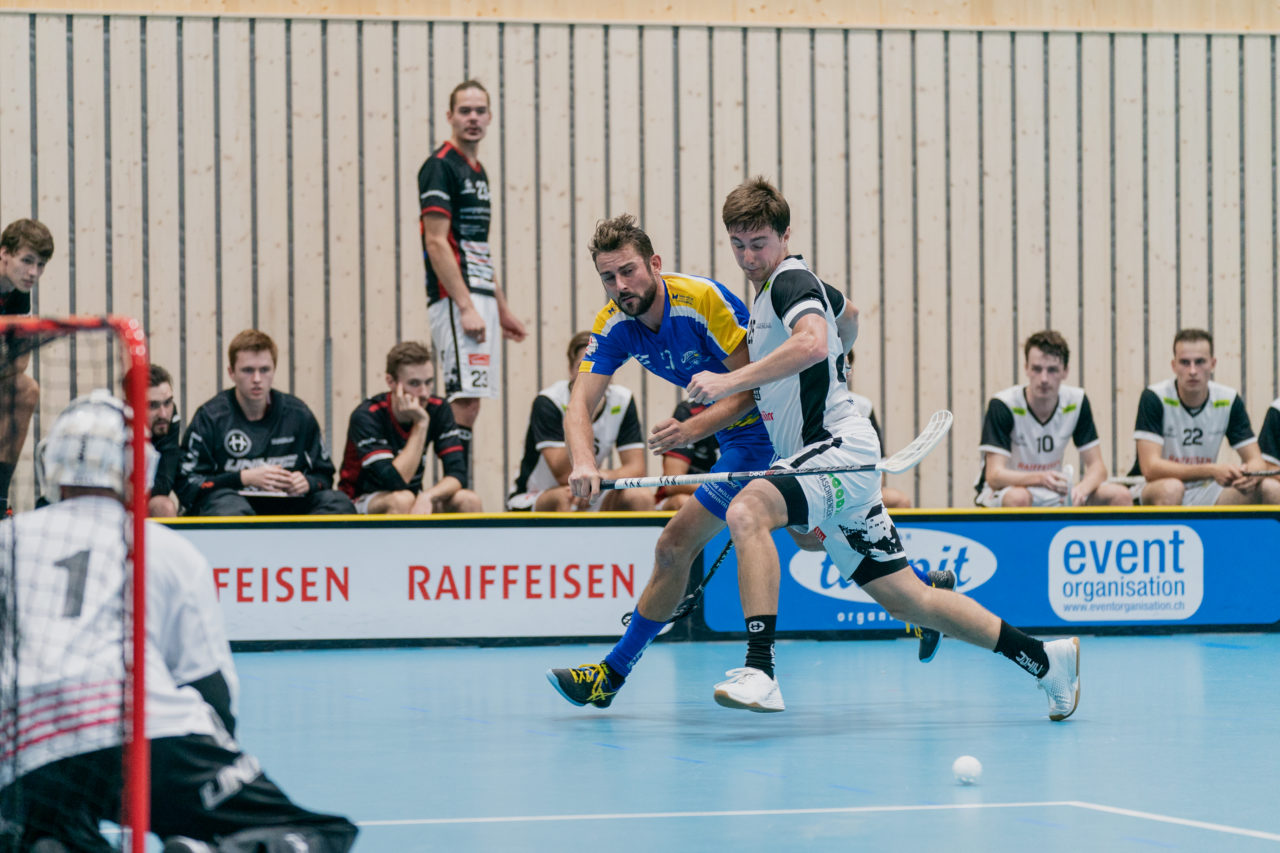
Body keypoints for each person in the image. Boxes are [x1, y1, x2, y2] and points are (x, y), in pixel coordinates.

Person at [682, 177, 1078, 719]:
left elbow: (816, 340)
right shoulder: (791, 288)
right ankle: (1045, 660)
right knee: (908, 599)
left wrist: (732, 381)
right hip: (827, 461)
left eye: (759, 243)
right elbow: (849, 316)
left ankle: (761, 669)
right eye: (738, 244)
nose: (749, 256)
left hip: (836, 447)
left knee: (748, 507)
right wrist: (837, 357)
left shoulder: (787, 279)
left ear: (784, 235)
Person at [546, 214, 946, 711]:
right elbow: (578, 406)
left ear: (654, 264)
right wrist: (583, 462)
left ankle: (612, 675)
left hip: (769, 436)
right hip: (737, 443)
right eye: (608, 277)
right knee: (813, 538)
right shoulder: (613, 323)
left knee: (675, 543)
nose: (620, 286)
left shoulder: (702, 302)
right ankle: (924, 593)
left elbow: (757, 388)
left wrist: (693, 428)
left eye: (628, 271)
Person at [1, 391, 358, 852]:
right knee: (319, 833)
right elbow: (214, 694)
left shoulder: (8, 541)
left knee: (47, 836)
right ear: (138, 467)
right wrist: (205, 791)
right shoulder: (163, 549)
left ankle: (50, 839)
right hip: (148, 733)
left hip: (27, 744)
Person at [420, 79, 527, 476]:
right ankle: (454, 488)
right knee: (463, 396)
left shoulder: (478, 171)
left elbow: (476, 244)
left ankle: (456, 486)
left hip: (478, 294)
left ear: (490, 116)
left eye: (480, 110)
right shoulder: (439, 166)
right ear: (450, 116)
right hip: (454, 297)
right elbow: (436, 242)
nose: (473, 118)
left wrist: (500, 307)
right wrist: (465, 304)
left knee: (474, 397)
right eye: (465, 111)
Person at [176, 330, 355, 516]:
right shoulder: (211, 417)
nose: (257, 379)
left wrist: (307, 483)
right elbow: (187, 485)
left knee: (339, 503)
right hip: (230, 506)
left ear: (274, 369)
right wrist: (243, 478)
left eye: (264, 370)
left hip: (287, 505)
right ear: (231, 373)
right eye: (247, 370)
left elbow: (324, 476)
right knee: (228, 508)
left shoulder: (298, 414)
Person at [975, 330, 1132, 508]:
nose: (1043, 379)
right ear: (1026, 368)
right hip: (1008, 489)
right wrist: (1039, 478)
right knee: (1018, 498)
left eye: (1052, 370)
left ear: (1065, 372)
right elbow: (994, 476)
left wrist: (1082, 489)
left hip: (1053, 490)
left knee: (1120, 495)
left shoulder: (1076, 401)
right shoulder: (1004, 404)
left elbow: (1098, 468)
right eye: (1037, 369)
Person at [508, 330, 654, 513]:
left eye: (599, 365)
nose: (591, 373)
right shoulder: (549, 401)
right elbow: (563, 474)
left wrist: (604, 477)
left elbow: (636, 469)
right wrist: (585, 412)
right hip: (538, 494)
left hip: (589, 486)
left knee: (640, 496)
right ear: (570, 371)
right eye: (582, 366)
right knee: (566, 496)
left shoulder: (622, 400)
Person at [1133, 328, 1280, 506]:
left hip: (1205, 490)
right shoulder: (1154, 397)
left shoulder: (1228, 399)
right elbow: (1150, 468)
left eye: (1200, 362)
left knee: (1271, 488)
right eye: (1185, 362)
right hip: (1156, 486)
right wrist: (1211, 470)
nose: (1193, 370)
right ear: (1174, 365)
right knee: (1172, 489)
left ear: (1213, 363)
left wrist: (1250, 476)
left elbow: (1257, 461)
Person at [339, 340, 483, 514]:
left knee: (468, 500)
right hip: (360, 501)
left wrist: (428, 496)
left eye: (428, 382)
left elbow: (458, 474)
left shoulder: (437, 408)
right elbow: (394, 481)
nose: (424, 393)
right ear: (391, 381)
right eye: (414, 384)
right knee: (402, 500)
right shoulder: (367, 415)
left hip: (412, 496)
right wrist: (421, 424)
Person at [0, 218, 51, 514]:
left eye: (41, 264)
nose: (33, 272)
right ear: (4, 253)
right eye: (27, 261)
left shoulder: (19, 292)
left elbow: (19, 364)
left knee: (26, 390)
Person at [844, 349, 911, 509]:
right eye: (840, 366)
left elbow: (879, 457)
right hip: (827, 481)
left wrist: (871, 488)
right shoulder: (813, 403)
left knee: (901, 501)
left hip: (860, 485)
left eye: (848, 366)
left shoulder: (863, 405)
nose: (847, 371)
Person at [652, 398, 721, 512]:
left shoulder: (749, 411)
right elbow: (673, 484)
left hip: (726, 494)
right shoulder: (689, 410)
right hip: (687, 497)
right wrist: (720, 490)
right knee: (685, 502)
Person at [148, 363, 183, 517]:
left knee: (164, 507)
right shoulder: (116, 428)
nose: (163, 413)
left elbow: (163, 484)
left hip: (142, 494)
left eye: (168, 402)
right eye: (152, 405)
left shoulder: (169, 418)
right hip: (108, 501)